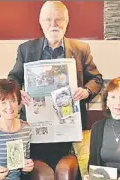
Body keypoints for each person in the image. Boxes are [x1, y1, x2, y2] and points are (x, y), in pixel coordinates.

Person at [7, 0, 103, 170]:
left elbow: (96, 79)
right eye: (48, 20)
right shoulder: (26, 49)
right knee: (35, 171)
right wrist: (18, 92)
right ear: (40, 22)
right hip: (35, 124)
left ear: (67, 22)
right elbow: (13, 77)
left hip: (68, 125)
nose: (54, 24)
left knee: (66, 170)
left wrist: (86, 91)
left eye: (59, 19)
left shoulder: (81, 49)